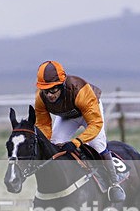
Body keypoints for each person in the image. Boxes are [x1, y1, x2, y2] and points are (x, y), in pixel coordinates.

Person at [32, 60, 126, 202]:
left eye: (53, 89)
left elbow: (95, 124)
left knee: (98, 146)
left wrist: (77, 141)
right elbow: (43, 125)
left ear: (62, 84)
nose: (50, 95)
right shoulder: (40, 98)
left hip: (90, 113)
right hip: (68, 116)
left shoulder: (80, 91)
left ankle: (114, 183)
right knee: (55, 144)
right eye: (46, 90)